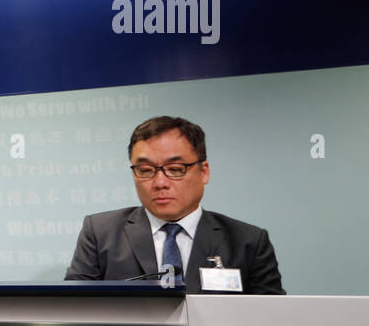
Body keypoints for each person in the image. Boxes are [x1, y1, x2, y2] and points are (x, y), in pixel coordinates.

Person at [65, 116, 284, 294]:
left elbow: (272, 323)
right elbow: (74, 309)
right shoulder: (101, 232)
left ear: (204, 171)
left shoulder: (248, 242)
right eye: (145, 170)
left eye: (176, 169)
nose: (160, 183)